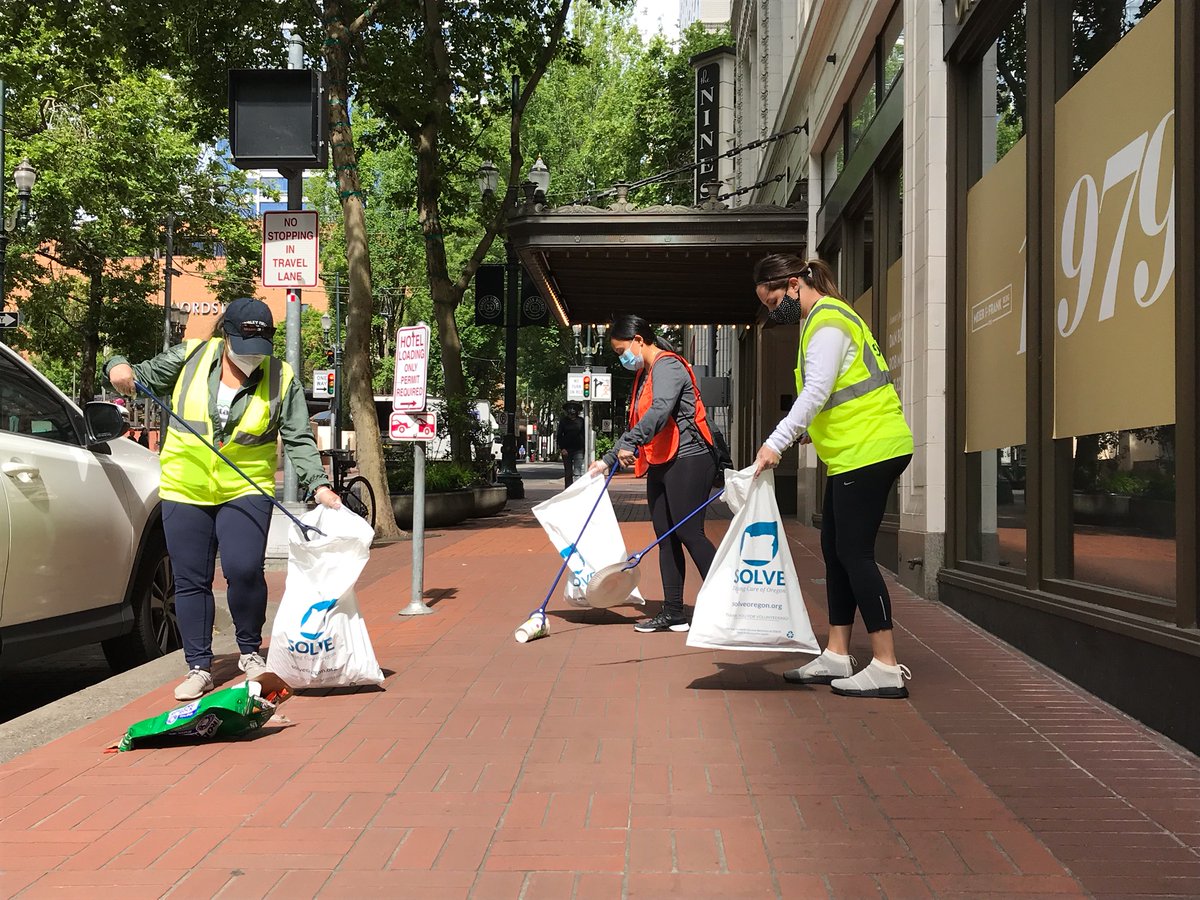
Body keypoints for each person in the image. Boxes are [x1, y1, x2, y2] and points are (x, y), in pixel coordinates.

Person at [105, 297, 342, 702]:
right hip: (186, 486)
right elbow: (132, 373)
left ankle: (250, 653)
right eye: (244, 347)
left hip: (246, 486)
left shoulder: (281, 377)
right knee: (191, 579)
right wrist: (117, 368)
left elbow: (300, 437)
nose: (252, 358)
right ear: (225, 336)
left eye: (260, 349)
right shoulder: (192, 356)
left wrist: (318, 485)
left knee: (244, 569)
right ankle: (199, 665)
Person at [752, 255, 914, 699]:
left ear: (790, 284)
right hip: (854, 452)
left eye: (772, 302)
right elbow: (838, 394)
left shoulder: (827, 321)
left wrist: (776, 442)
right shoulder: (823, 320)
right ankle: (837, 653)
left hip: (870, 450)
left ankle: (885, 664)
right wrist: (807, 437)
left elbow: (816, 391)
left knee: (855, 553)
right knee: (835, 549)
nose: (772, 312)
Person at [587, 316, 720, 633]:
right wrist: (610, 457)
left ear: (638, 340)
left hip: (690, 457)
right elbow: (639, 422)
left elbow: (660, 411)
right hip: (662, 460)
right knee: (666, 536)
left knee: (689, 533)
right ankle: (673, 611)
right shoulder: (644, 375)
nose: (623, 358)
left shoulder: (668, 366)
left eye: (622, 350)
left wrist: (626, 445)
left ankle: (729, 602)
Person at [556, 401, 586, 487]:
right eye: (570, 408)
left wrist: (584, 448)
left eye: (574, 408)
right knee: (568, 473)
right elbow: (559, 435)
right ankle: (568, 491)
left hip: (578, 449)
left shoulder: (581, 421)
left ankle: (576, 490)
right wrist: (562, 448)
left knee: (577, 472)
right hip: (567, 450)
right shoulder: (563, 421)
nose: (572, 410)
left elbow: (583, 435)